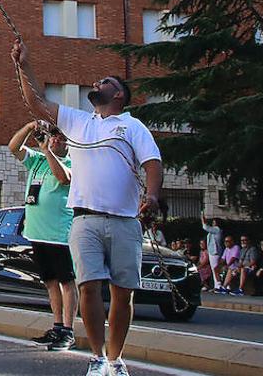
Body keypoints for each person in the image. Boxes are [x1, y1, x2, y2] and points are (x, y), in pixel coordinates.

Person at [12, 40, 162, 376]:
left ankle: (115, 358)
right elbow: (36, 102)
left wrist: (151, 196)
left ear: (119, 95)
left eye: (105, 82)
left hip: (125, 221)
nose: (96, 85)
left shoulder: (132, 126)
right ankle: (97, 357)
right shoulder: (78, 122)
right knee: (88, 286)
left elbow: (152, 162)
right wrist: (24, 65)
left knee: (123, 294)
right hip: (84, 221)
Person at [9, 119, 78, 351]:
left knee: (67, 282)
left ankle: (68, 330)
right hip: (38, 234)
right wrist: (29, 128)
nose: (56, 139)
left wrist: (47, 150)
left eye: (61, 137)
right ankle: (57, 325)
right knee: (50, 282)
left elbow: (63, 178)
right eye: (54, 135)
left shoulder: (72, 162)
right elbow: (13, 147)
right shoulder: (38, 161)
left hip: (60, 234)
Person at [201, 214, 224, 292]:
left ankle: (218, 285)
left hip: (215, 252)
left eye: (214, 222)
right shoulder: (214, 230)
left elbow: (205, 227)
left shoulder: (217, 229)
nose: (213, 223)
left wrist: (203, 219)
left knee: (215, 268)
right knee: (213, 269)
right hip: (211, 251)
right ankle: (216, 285)